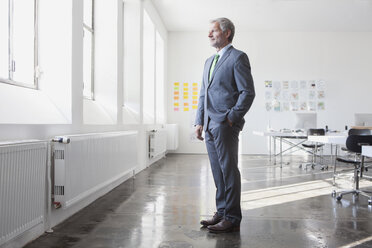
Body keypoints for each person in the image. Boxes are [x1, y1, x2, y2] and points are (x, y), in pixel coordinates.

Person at [195, 17, 255, 233]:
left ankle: (232, 217)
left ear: (227, 33)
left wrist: (231, 118)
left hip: (225, 124)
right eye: (209, 31)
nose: (209, 34)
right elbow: (203, 94)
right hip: (209, 124)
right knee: (217, 171)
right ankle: (221, 211)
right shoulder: (208, 62)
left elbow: (248, 93)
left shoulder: (238, 58)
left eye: (214, 30)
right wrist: (199, 121)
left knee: (229, 170)